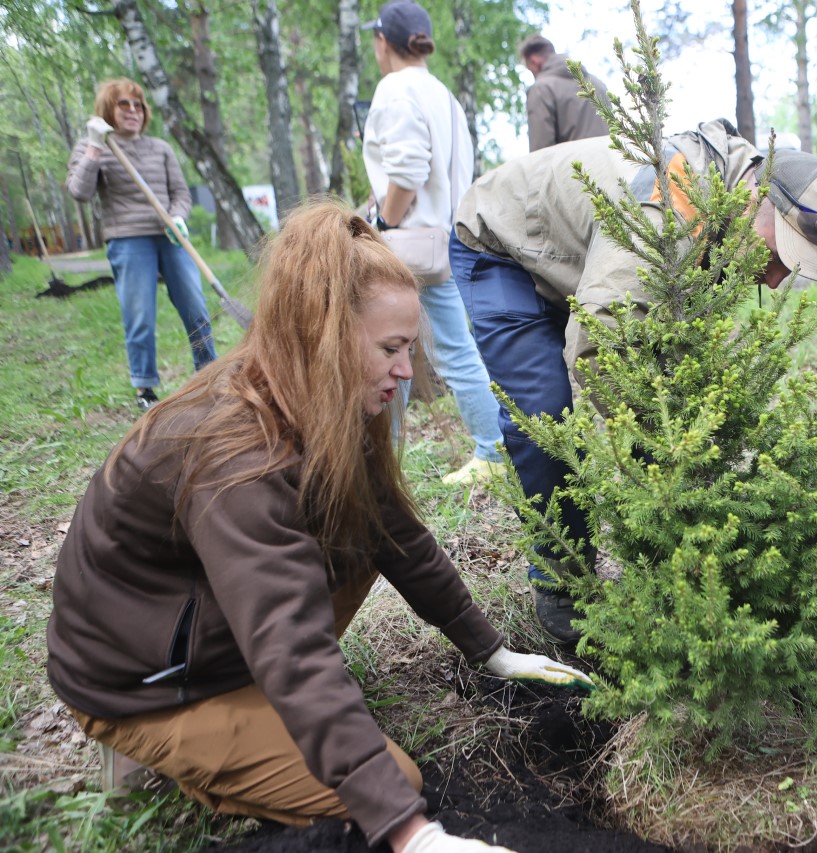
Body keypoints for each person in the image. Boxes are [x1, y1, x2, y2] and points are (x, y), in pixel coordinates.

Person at [45, 201, 593, 853]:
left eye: (409, 348)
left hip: (210, 622)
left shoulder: (315, 394)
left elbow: (398, 534)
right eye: (391, 348)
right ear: (328, 336)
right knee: (394, 782)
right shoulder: (236, 457)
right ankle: (175, 749)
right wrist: (411, 833)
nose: (408, 371)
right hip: (142, 681)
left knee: (364, 530)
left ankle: (268, 715)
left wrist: (487, 647)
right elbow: (292, 647)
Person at [450, 119, 817, 643]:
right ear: (757, 198)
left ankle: (667, 564)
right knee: (544, 414)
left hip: (582, 258)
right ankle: (561, 580)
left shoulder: (726, 206)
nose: (776, 278)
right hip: (503, 244)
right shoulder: (670, 210)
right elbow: (600, 342)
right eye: (779, 255)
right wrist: (665, 451)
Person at [362, 0, 504, 486]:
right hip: (446, 237)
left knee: (387, 348)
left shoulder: (394, 90)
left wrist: (382, 218)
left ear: (383, 42)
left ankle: (381, 458)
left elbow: (406, 170)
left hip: (406, 244)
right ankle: (491, 450)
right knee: (453, 349)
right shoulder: (442, 93)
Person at [66, 78, 217, 411]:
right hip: (128, 239)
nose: (133, 111)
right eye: (123, 104)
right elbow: (79, 191)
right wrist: (94, 147)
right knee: (140, 317)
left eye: (138, 105)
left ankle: (209, 373)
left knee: (196, 308)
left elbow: (181, 193)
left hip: (170, 237)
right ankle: (145, 388)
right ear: (109, 109)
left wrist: (177, 217)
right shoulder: (93, 146)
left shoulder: (160, 148)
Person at [517, 34, 610, 151]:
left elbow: (541, 154)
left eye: (530, 70)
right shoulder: (598, 84)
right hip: (614, 166)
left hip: (577, 169)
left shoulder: (541, 89)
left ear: (534, 61)